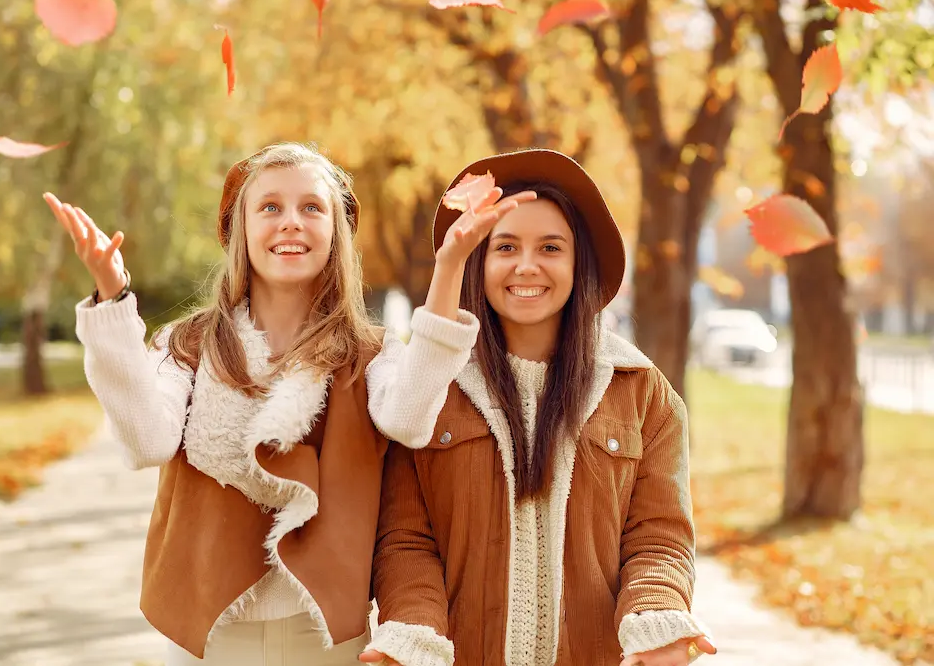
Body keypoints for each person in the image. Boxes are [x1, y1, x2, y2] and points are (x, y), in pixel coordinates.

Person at [44, 142, 429, 665]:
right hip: (211, 638)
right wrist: (113, 301)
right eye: (269, 207)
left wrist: (447, 283)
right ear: (240, 232)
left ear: (336, 234)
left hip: (330, 640)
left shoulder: (374, 356)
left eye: (312, 207)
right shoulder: (186, 345)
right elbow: (145, 441)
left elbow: (411, 416)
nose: (290, 222)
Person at [359, 149, 716, 666]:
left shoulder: (642, 393)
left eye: (551, 247)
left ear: (578, 263)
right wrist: (414, 636)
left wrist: (655, 619)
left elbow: (659, 538)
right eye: (506, 246)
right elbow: (406, 541)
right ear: (479, 261)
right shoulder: (429, 390)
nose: (528, 265)